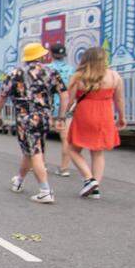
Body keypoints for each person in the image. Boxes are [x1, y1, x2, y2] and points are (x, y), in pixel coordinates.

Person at [0, 43, 69, 204]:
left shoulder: (15, 73)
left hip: (25, 118)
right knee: (30, 150)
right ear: (40, 56)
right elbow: (64, 95)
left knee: (34, 152)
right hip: (45, 117)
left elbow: (1, 98)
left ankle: (45, 190)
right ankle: (19, 180)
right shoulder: (51, 72)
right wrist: (61, 117)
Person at [66, 47, 126, 199]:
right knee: (98, 152)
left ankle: (89, 179)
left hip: (84, 114)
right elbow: (119, 99)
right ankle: (95, 188)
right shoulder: (114, 76)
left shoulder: (79, 77)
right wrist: (122, 117)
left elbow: (70, 100)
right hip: (105, 115)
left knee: (73, 149)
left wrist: (62, 115)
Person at [47, 42, 76, 176]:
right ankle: (64, 168)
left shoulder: (47, 69)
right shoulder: (72, 70)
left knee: (41, 136)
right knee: (65, 138)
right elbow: (73, 89)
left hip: (49, 105)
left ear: (51, 54)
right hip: (66, 106)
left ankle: (39, 164)